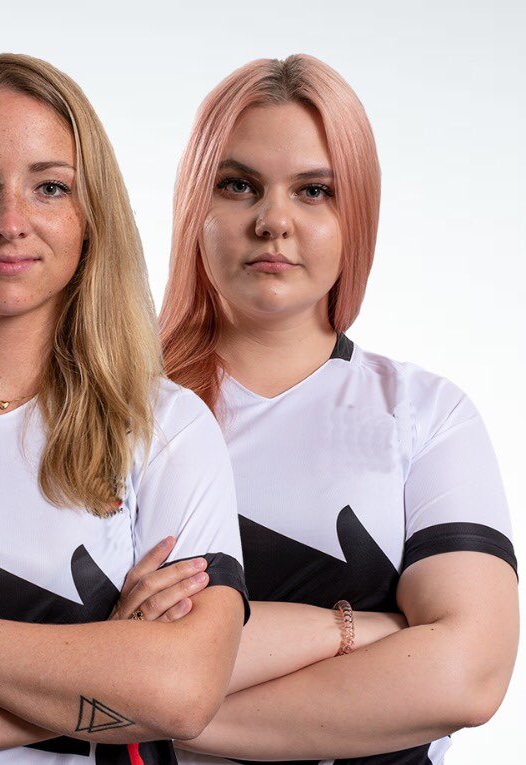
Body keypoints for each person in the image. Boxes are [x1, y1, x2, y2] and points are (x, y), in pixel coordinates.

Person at [0, 54, 248, 764]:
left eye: (49, 187)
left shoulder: (167, 429)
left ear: (90, 215)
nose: (9, 221)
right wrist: (105, 655)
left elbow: (181, 695)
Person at [159, 55, 517, 764]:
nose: (273, 221)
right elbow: (65, 640)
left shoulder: (427, 415)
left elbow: (469, 675)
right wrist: (364, 631)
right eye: (238, 185)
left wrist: (148, 716)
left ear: (359, 215)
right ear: (194, 204)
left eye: (314, 190)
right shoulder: (105, 413)